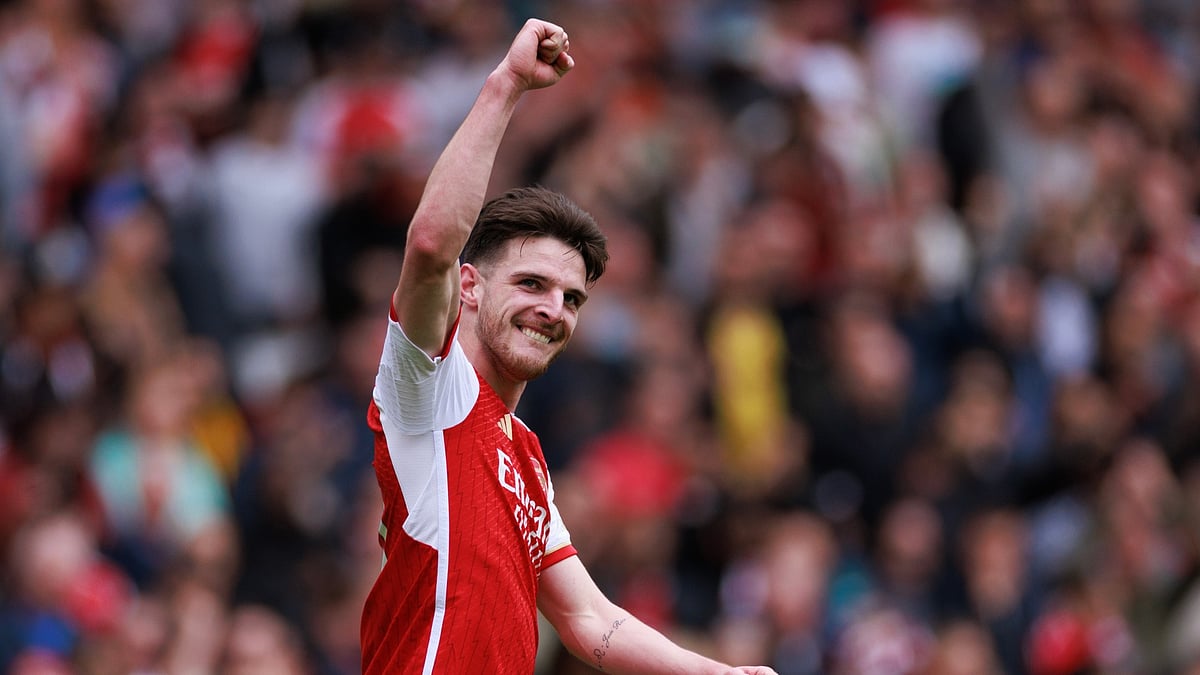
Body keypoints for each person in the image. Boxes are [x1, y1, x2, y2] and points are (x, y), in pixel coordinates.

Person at [358, 17, 778, 675]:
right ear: (469, 288)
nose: (553, 309)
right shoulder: (431, 393)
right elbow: (433, 243)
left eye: (571, 297)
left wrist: (717, 672)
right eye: (531, 283)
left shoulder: (527, 459)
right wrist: (507, 85)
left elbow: (589, 621)